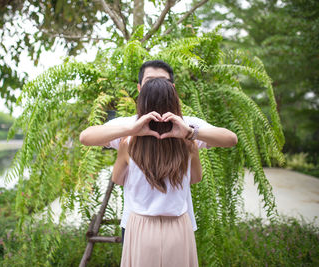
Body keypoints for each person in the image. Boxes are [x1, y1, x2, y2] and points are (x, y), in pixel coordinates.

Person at [79, 60, 238, 242]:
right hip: (135, 223)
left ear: (173, 88)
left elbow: (230, 139)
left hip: (178, 222)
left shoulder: (187, 124)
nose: (156, 86)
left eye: (162, 81)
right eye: (150, 81)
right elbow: (86, 137)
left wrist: (190, 133)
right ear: (140, 88)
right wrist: (131, 130)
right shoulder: (128, 125)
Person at [110, 78, 202, 266]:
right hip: (178, 227)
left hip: (141, 227)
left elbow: (118, 179)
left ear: (142, 105)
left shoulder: (128, 144)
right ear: (174, 104)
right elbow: (196, 178)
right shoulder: (188, 143)